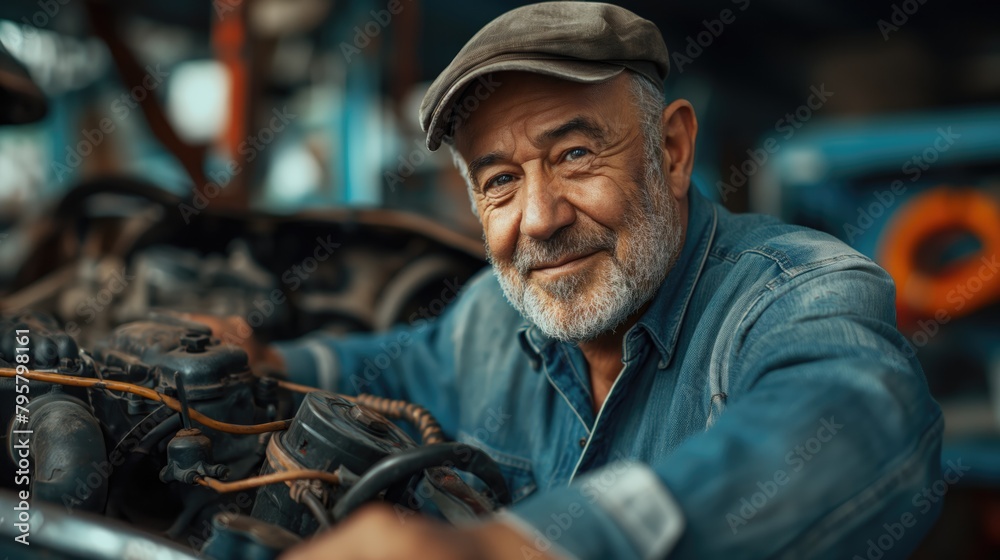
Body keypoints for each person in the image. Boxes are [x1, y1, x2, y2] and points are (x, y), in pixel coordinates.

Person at [200, 3, 944, 559]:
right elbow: (404, 364)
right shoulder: (492, 320)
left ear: (673, 151)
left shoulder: (799, 292)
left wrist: (512, 549)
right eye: (498, 181)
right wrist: (270, 363)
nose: (540, 218)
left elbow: (856, 420)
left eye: (576, 154)